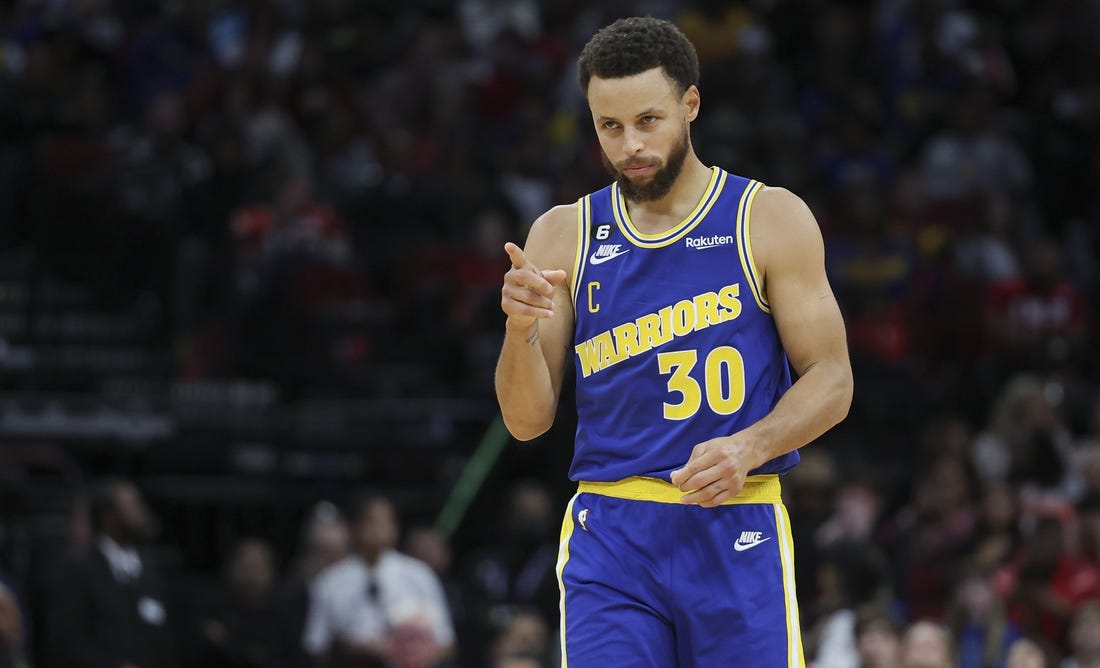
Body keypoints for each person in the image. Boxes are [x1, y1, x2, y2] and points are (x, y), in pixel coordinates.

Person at [495, 15, 853, 666]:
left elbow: (832, 380)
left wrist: (751, 446)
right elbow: (525, 422)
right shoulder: (562, 233)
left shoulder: (767, 217)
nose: (630, 144)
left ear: (690, 103)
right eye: (610, 126)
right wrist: (519, 333)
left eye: (648, 121)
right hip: (612, 531)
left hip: (735, 516)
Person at [302, 494, 454, 667]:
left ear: (395, 528)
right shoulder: (330, 581)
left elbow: (446, 643)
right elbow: (316, 645)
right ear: (355, 527)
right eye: (371, 521)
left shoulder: (419, 575)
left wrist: (409, 655)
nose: (378, 529)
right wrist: (355, 650)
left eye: (385, 522)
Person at [40, 478, 177, 668]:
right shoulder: (78, 568)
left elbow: (163, 634)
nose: (141, 513)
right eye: (131, 505)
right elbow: (66, 639)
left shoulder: (149, 568)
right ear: (109, 515)